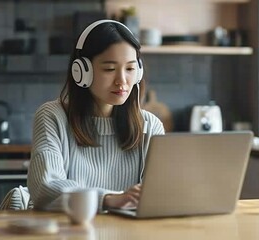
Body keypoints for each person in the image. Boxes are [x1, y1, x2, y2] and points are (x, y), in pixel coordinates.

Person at [27, 19, 165, 212]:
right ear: (81, 71)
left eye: (130, 69)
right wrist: (108, 199)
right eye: (109, 69)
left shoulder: (151, 126)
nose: (122, 81)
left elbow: (160, 195)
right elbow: (45, 188)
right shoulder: (52, 117)